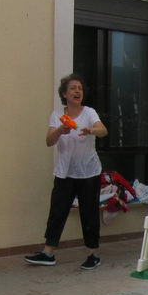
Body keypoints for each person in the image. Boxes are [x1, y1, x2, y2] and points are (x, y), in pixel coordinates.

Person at [25, 74, 108, 270]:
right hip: (64, 173)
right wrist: (60, 130)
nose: (77, 91)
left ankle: (93, 255)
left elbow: (103, 130)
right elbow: (48, 141)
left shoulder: (89, 113)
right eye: (73, 88)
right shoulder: (57, 116)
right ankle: (48, 253)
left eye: (80, 88)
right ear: (65, 94)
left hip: (89, 173)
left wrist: (91, 131)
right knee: (57, 212)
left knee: (89, 215)